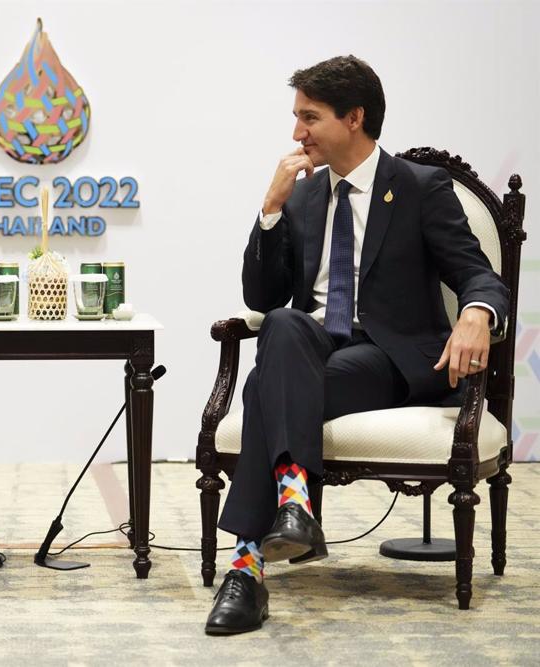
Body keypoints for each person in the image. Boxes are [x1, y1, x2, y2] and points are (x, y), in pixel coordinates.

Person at [204, 56, 509, 635]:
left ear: (354, 118)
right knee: (285, 326)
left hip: (389, 358)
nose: (297, 133)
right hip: (312, 347)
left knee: (263, 386)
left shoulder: (420, 188)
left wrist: (475, 311)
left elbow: (479, 273)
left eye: (309, 117)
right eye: (296, 118)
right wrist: (269, 209)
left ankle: (246, 573)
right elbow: (263, 296)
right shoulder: (301, 197)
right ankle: (294, 501)